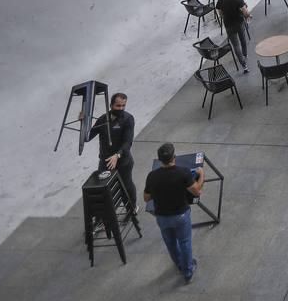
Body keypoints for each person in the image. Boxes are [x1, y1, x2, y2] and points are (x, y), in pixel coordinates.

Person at [143, 142, 204, 283]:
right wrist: (201, 175)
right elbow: (197, 191)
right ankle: (188, 271)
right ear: (174, 157)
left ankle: (180, 264)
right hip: (180, 216)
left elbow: (146, 198)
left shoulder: (152, 176)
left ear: (159, 160)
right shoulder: (183, 172)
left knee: (170, 243)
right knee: (185, 242)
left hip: (162, 218)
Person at [85, 92, 136, 211]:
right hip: (105, 161)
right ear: (111, 105)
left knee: (126, 186)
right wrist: (83, 123)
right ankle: (103, 216)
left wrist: (117, 155)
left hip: (123, 160)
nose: (121, 108)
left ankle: (132, 208)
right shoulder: (103, 119)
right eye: (118, 106)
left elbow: (127, 142)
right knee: (102, 189)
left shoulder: (128, 119)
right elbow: (87, 137)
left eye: (123, 106)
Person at [215, 0, 251, 73]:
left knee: (235, 45)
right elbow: (246, 13)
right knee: (242, 39)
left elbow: (220, 14)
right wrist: (247, 12)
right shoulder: (238, 0)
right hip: (239, 23)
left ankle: (244, 66)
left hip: (228, 25)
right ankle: (245, 54)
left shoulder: (220, 1)